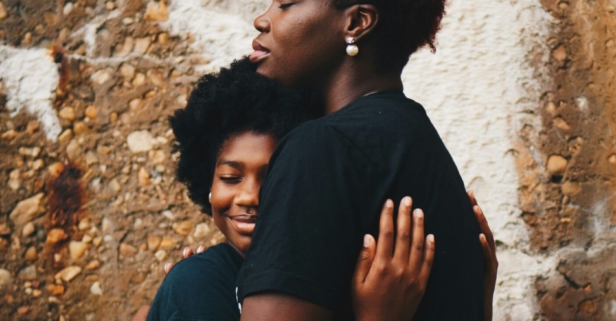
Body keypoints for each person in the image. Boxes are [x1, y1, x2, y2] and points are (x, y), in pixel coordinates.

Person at [138, 58, 497, 321]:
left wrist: (472, 301)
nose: (249, 196)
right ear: (207, 185)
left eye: (274, 177)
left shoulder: (339, 278)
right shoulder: (200, 282)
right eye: (231, 178)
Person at [239, 0, 488, 320]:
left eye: (286, 4)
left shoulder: (322, 149)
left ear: (356, 23)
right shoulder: (417, 142)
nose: (262, 20)